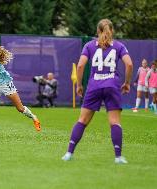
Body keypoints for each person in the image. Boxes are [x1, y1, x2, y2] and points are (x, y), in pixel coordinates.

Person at [61, 19, 133, 164]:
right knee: (114, 122)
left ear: (98, 31)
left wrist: (79, 85)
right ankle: (118, 157)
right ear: (111, 31)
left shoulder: (89, 45)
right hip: (112, 85)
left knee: (82, 120)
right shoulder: (119, 46)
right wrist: (126, 83)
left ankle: (69, 153)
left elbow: (80, 66)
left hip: (94, 86)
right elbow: (129, 64)